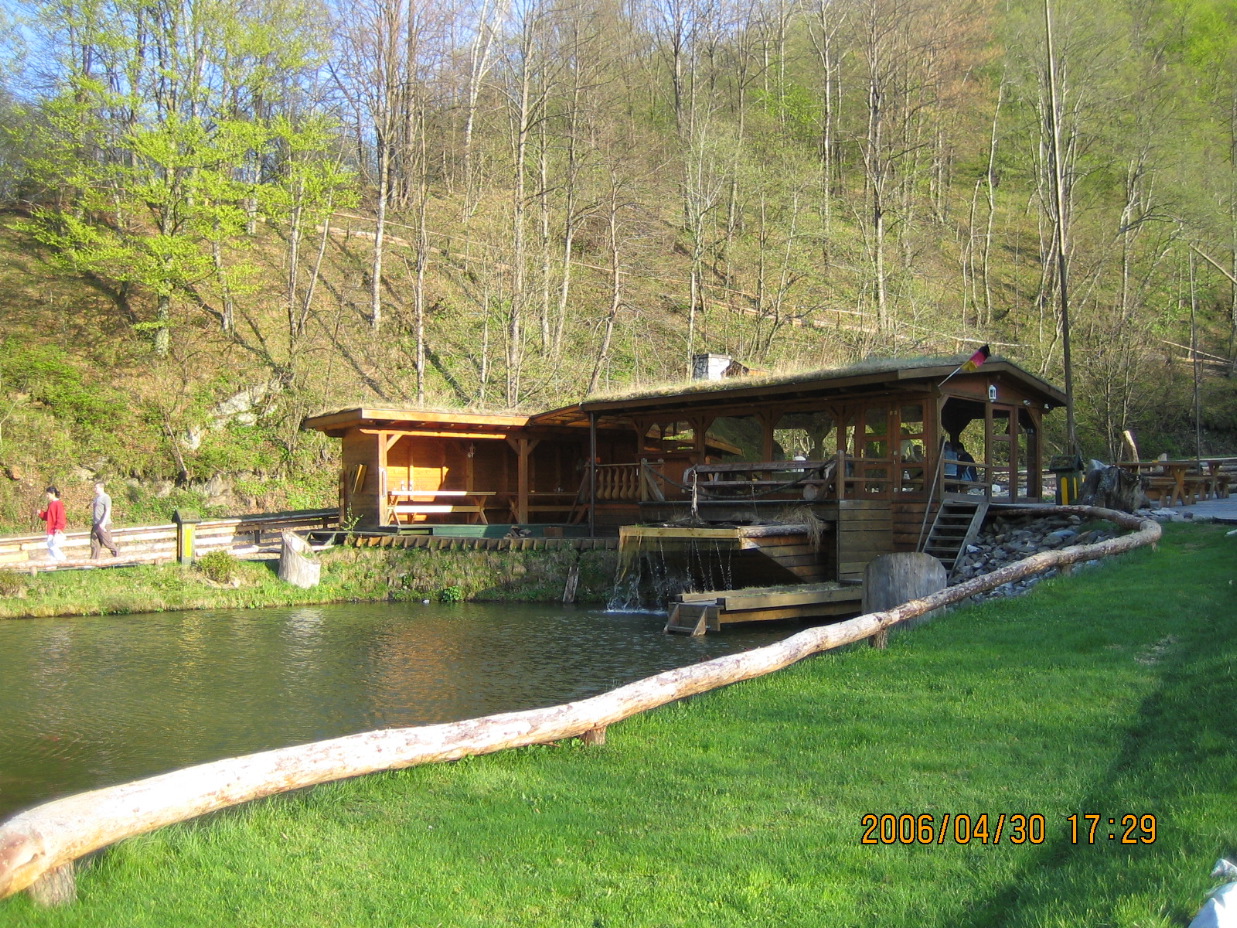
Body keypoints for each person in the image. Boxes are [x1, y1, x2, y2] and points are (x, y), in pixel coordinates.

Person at [37, 485, 67, 562]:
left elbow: (61, 517)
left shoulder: (58, 504)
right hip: (51, 528)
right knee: (50, 545)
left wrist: (59, 527)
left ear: (53, 493)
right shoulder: (51, 504)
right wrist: (41, 513)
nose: (47, 496)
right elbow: (49, 516)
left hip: (55, 528)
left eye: (48, 494)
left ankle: (62, 559)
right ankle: (53, 562)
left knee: (51, 544)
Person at [90, 481, 120, 558]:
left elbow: (107, 510)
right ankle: (94, 561)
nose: (94, 489)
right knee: (94, 544)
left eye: (96, 487)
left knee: (108, 543)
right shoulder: (96, 498)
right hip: (96, 524)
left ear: (101, 488)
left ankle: (117, 557)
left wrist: (103, 523)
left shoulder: (106, 497)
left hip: (104, 524)